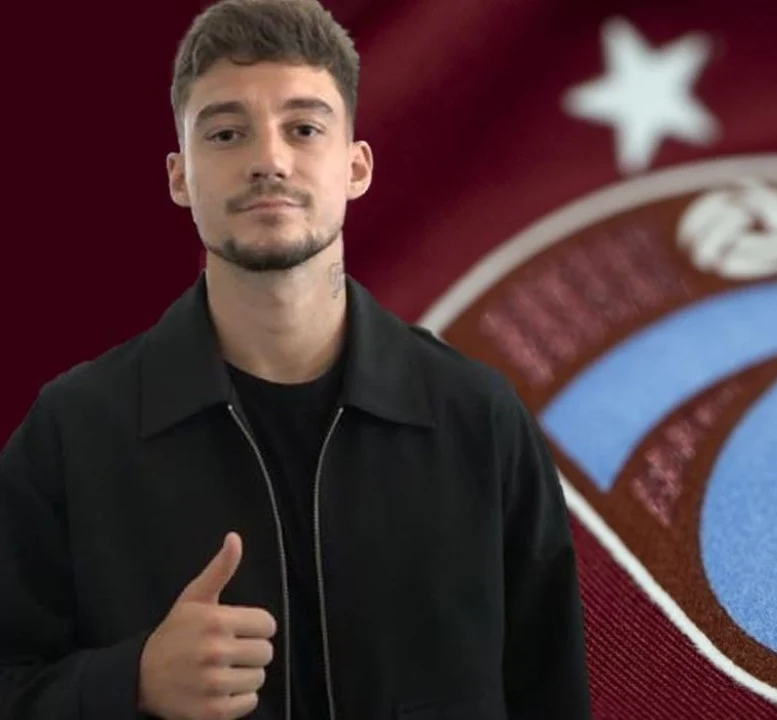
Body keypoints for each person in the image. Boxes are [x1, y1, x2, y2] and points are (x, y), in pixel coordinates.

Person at [0, 0, 594, 717]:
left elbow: (552, 695)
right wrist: (133, 681)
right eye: (226, 133)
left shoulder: (479, 421)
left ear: (356, 166)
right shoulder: (75, 432)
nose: (269, 161)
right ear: (180, 177)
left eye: (304, 128)